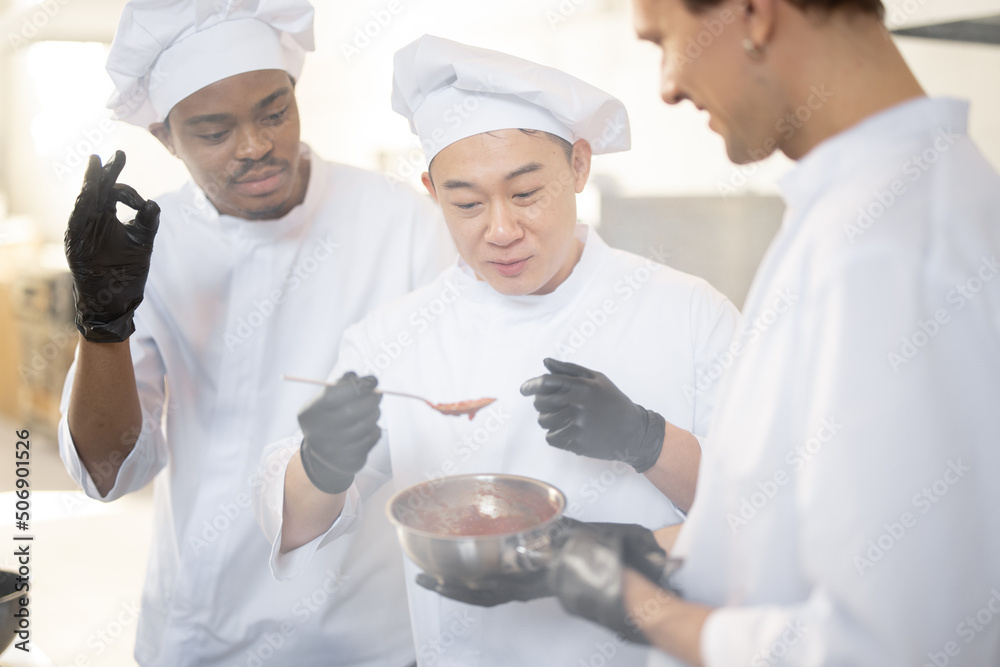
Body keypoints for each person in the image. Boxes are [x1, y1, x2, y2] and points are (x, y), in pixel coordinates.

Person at [513, 1, 1000, 666]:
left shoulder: (892, 247)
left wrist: (636, 603)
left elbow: (879, 649)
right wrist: (650, 549)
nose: (668, 85)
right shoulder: (866, 206)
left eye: (667, 42)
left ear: (754, 13)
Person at [252, 35, 741, 666]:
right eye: (467, 203)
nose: (502, 230)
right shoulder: (394, 336)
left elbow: (761, 513)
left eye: (527, 192)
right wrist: (321, 464)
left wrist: (647, 440)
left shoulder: (690, 312)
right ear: (432, 191)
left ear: (580, 167)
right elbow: (296, 525)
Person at [57, 1, 453, 665]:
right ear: (164, 135)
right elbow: (106, 469)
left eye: (274, 111)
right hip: (203, 625)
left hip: (366, 629)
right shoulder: (150, 248)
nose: (257, 145)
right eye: (214, 131)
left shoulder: (401, 223)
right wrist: (102, 323)